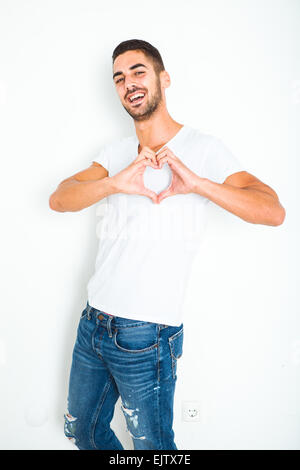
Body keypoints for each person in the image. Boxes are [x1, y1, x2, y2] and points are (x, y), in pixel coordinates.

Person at [49, 39, 286, 450]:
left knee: (154, 449)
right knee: (81, 430)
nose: (129, 83)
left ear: (164, 78)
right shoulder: (116, 152)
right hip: (93, 324)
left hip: (147, 335)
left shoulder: (204, 149)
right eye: (119, 78)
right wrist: (114, 182)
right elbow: (60, 198)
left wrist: (198, 184)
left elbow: (272, 211)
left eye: (138, 71)